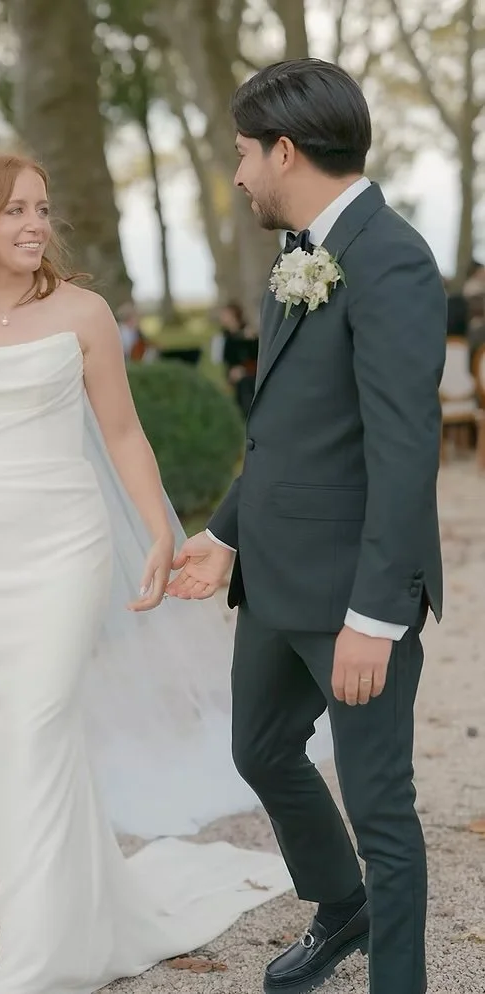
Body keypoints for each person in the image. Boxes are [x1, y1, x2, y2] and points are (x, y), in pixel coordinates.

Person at [0, 154, 333, 994]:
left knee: (41, 720)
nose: (33, 224)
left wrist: (159, 533)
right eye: (14, 209)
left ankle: (37, 957)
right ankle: (69, 912)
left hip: (64, 549)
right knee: (20, 740)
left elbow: (125, 435)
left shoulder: (85, 313)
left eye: (42, 209)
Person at [168, 59, 446, 994]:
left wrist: (377, 616)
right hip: (275, 580)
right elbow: (284, 432)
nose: (239, 175)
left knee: (382, 813)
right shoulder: (300, 252)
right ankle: (342, 906)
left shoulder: (394, 259)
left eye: (244, 155)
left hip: (348, 600)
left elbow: (407, 455)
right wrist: (224, 535)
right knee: (260, 749)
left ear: (285, 150)